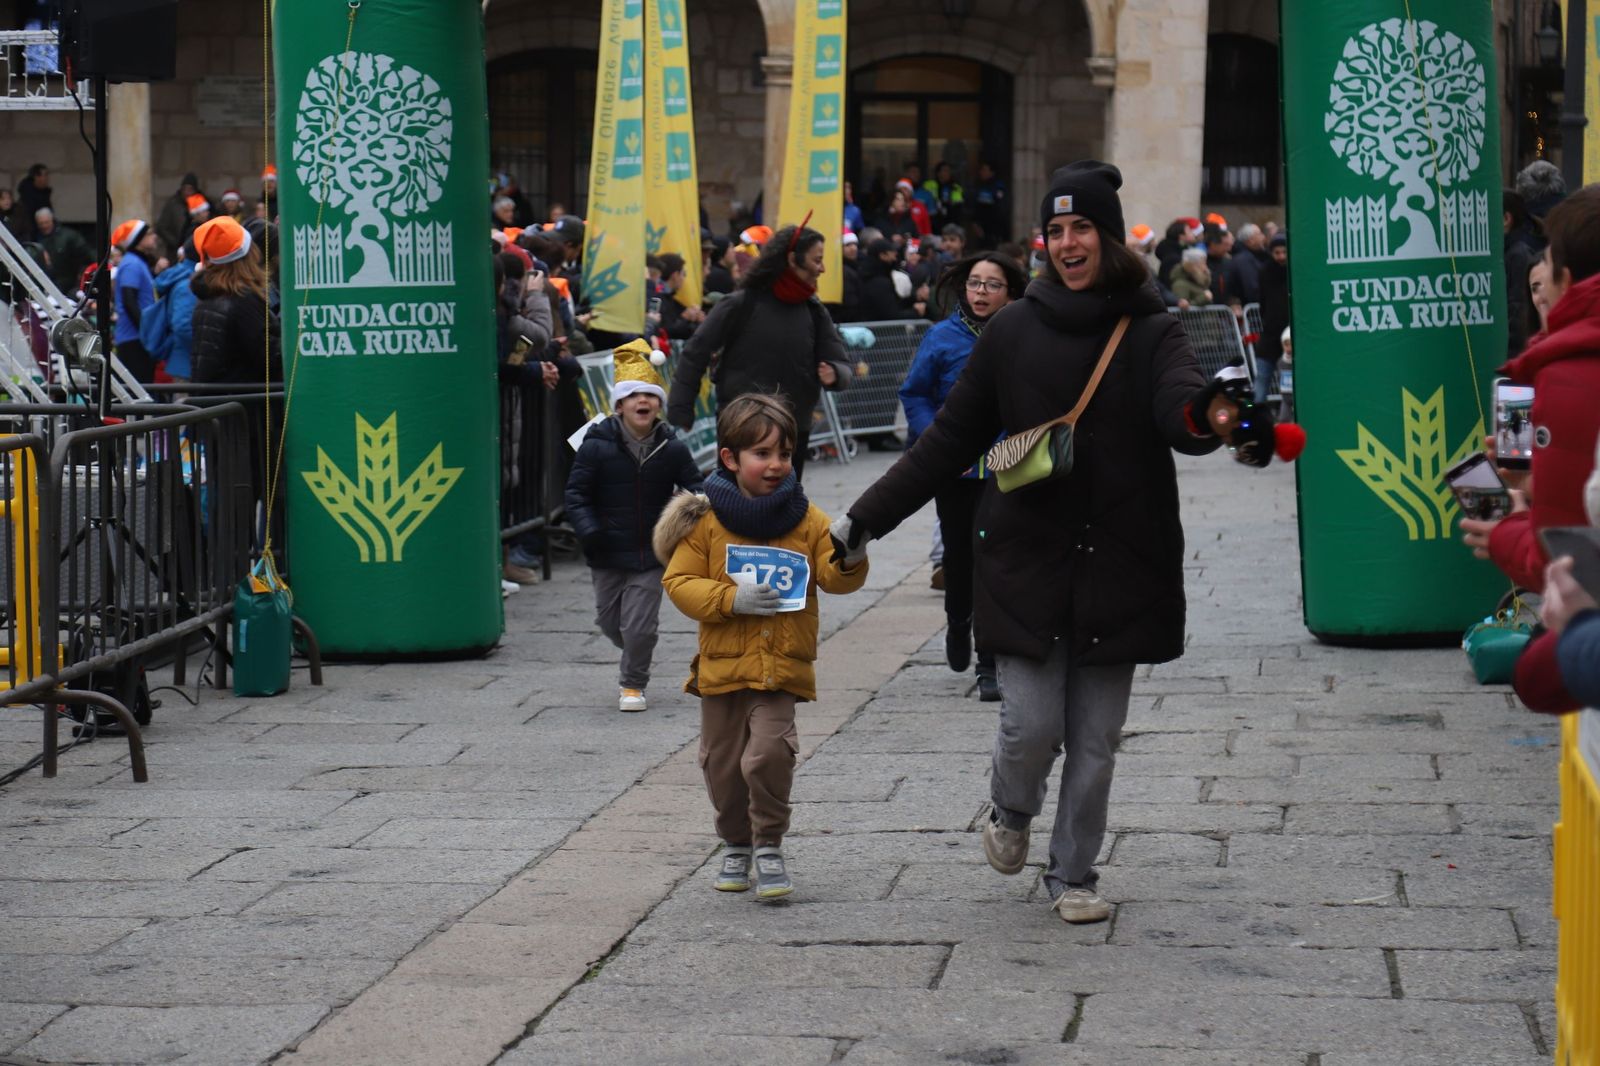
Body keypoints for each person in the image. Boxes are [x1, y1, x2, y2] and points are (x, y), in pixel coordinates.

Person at [829, 161, 1236, 926]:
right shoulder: (1013, 330)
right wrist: (863, 518)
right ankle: (1011, 810)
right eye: (1056, 229)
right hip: (1026, 557)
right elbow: (948, 440)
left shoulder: (1152, 328)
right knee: (1030, 724)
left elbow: (1181, 407)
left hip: (1122, 560)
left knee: (1096, 741)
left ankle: (1074, 874)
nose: (1068, 242)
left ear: (1108, 236)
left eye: (1083, 227)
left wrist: (1215, 415)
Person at [654, 393, 869, 900]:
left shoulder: (808, 519)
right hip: (722, 670)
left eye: (784, 454)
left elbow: (834, 579)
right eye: (762, 454)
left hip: (780, 668)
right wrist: (730, 599)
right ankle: (736, 843)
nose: (775, 465)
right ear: (730, 458)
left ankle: (769, 843)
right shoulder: (706, 522)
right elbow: (678, 582)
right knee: (722, 766)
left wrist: (851, 555)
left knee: (769, 754)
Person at [1459, 184, 1600, 712]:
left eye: (1547, 268)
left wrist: (1505, 532)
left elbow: (1567, 560)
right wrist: (1535, 482)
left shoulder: (1567, 375)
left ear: (1567, 278)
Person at [898, 252, 1028, 701]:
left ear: (1010, 292)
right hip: (955, 468)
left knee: (996, 559)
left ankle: (989, 661)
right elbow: (914, 393)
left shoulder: (1023, 334)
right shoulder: (942, 337)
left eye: (992, 285)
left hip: (1008, 466)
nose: (981, 292)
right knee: (959, 557)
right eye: (974, 283)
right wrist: (933, 435)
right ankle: (958, 621)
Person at [565, 343, 704, 713]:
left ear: (658, 404)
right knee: (610, 623)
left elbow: (696, 487)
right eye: (633, 395)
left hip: (652, 553)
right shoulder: (596, 446)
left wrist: (690, 514)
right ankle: (637, 648)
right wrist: (589, 531)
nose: (643, 401)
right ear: (619, 405)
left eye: (650, 395)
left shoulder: (672, 448)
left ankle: (633, 684)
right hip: (606, 550)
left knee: (639, 627)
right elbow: (576, 494)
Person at [666, 223, 853, 479]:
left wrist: (835, 373)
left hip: (793, 429)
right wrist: (681, 409)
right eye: (817, 260)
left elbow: (840, 361)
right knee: (734, 499)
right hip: (741, 427)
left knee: (785, 501)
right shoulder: (741, 303)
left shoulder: (813, 311)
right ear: (792, 259)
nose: (822, 269)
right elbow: (695, 352)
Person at [188, 216, 283, 384]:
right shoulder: (243, 300)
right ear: (249, 254)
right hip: (244, 397)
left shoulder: (209, 295)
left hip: (217, 397)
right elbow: (270, 357)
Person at [110, 218, 161, 381]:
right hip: (134, 339)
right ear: (138, 240)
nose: (154, 237)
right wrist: (145, 330)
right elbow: (129, 300)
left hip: (138, 337)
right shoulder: (132, 264)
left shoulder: (138, 262)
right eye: (149, 234)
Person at [1503, 189, 1543, 357]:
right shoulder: (1511, 251)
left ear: (1506, 219)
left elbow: (1518, 310)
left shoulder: (1518, 255)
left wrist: (1509, 358)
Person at [1255, 233, 1291, 404]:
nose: (1281, 256)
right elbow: (1263, 300)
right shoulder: (1265, 271)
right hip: (1271, 334)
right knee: (1262, 378)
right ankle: (1255, 412)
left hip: (1286, 333)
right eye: (1277, 253)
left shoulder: (1291, 270)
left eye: (1284, 252)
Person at [859, 238, 923, 321]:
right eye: (892, 253)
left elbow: (893, 304)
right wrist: (915, 312)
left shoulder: (875, 277)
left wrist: (913, 298)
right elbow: (891, 315)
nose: (895, 258)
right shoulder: (879, 283)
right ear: (883, 255)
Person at [32, 207, 92, 295]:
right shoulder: (34, 237)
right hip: (45, 280)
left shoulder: (69, 236)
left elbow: (86, 254)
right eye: (41, 223)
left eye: (46, 222)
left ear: (52, 220)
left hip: (67, 281)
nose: (44, 226)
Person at [156, 173, 203, 259]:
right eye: (185, 189)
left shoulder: (201, 203)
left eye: (190, 189)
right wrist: (174, 242)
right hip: (175, 251)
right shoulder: (173, 204)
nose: (187, 192)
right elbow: (161, 227)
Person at [971, 160, 1009, 248]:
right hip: (982, 226)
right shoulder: (979, 185)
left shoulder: (998, 186)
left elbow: (1001, 207)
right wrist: (975, 222)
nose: (982, 172)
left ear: (992, 172)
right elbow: (976, 206)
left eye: (985, 170)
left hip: (995, 227)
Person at [15, 164, 51, 241]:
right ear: (36, 177)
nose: (47, 178)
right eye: (45, 175)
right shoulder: (28, 198)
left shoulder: (44, 194)